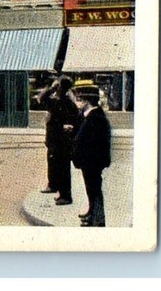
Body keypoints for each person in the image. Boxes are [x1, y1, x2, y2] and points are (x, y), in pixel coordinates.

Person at [71, 80, 111, 227]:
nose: (76, 102)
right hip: (89, 161)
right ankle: (92, 213)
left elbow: (92, 142)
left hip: (92, 161)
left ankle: (98, 219)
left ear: (86, 101)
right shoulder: (90, 116)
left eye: (78, 99)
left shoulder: (95, 118)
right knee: (91, 189)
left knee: (94, 190)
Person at [35, 76, 80, 205]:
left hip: (62, 142)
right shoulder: (59, 101)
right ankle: (60, 191)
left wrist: (51, 88)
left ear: (60, 87)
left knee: (63, 169)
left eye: (58, 86)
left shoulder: (65, 102)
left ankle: (66, 196)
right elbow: (42, 99)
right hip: (55, 140)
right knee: (58, 167)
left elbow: (42, 98)